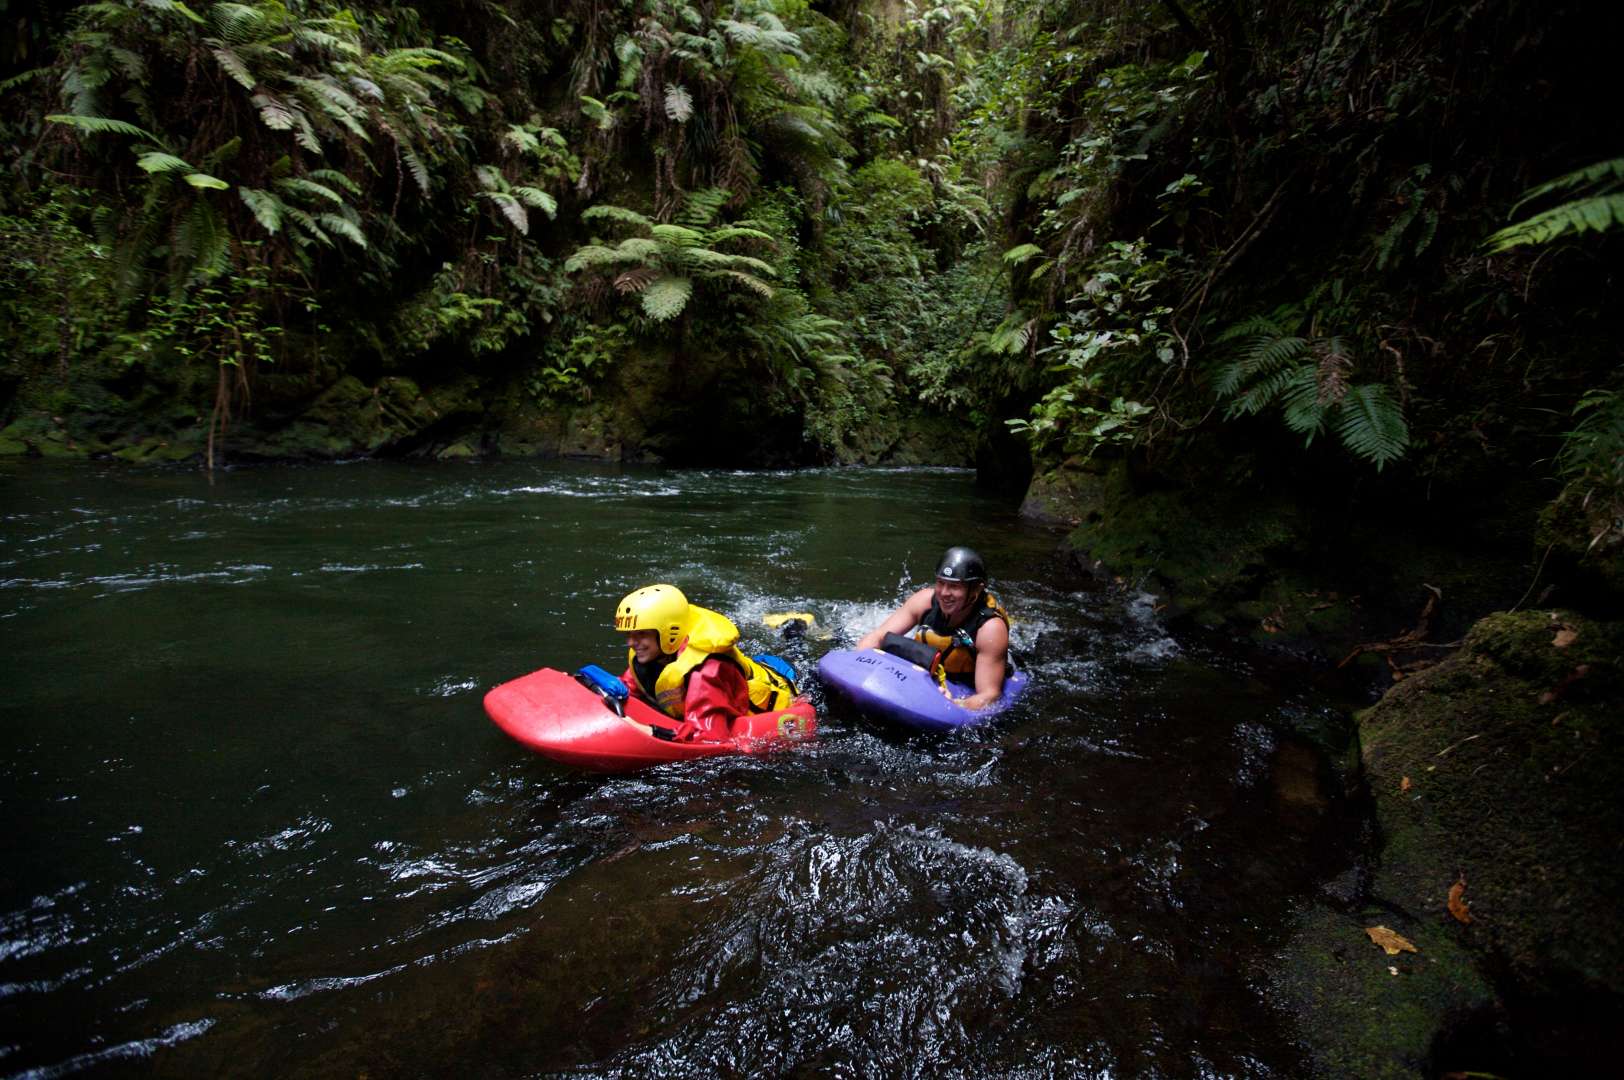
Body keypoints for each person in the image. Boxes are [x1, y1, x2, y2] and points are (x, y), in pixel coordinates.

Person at [614, 583, 798, 742]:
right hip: (754, 667)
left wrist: (652, 732)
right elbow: (626, 687)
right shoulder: (652, 654)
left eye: (641, 634)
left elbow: (709, 736)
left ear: (668, 632)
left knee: (796, 653)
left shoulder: (708, 670)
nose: (631, 643)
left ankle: (794, 628)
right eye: (629, 634)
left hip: (782, 682)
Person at [855, 546, 1011, 710]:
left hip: (963, 682)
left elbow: (989, 695)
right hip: (928, 670)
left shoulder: (990, 629)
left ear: (976, 589)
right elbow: (878, 636)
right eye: (940, 583)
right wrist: (859, 664)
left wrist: (955, 704)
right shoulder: (924, 601)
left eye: (954, 586)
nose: (944, 593)